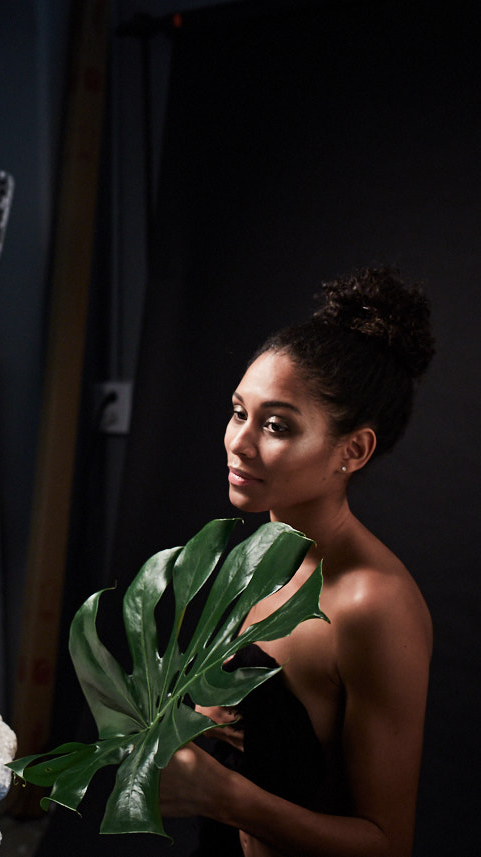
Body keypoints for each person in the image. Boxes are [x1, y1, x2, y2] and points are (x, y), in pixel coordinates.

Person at [159, 267, 435, 857]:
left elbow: (387, 845)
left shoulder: (372, 604)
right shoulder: (261, 556)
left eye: (276, 425)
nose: (239, 440)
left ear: (352, 450)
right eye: (239, 412)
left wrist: (222, 795)